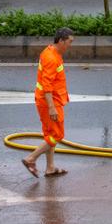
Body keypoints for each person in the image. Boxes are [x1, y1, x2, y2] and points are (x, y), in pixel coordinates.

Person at [22, 27, 73, 178]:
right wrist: (52, 108)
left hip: (46, 100)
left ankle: (50, 167)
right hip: (50, 102)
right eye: (69, 41)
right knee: (57, 135)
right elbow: (47, 85)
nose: (70, 44)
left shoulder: (50, 52)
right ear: (61, 41)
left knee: (50, 135)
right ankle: (31, 158)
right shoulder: (51, 58)